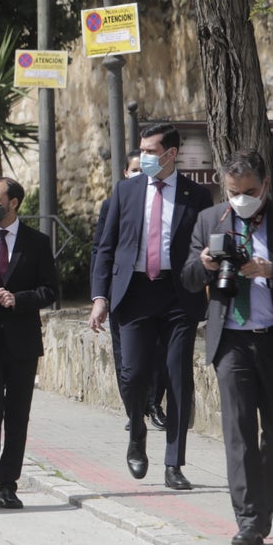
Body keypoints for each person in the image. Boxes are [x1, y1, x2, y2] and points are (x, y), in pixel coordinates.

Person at [90, 122, 212, 490]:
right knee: (133, 374)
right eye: (141, 151)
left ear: (171, 154)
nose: (143, 157)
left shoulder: (196, 195)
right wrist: (99, 297)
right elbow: (106, 247)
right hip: (135, 293)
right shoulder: (126, 191)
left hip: (178, 296)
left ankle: (174, 464)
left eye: (150, 152)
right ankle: (137, 432)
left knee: (178, 379)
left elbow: (202, 246)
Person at [182, 149, 273, 545]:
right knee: (238, 432)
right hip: (231, 340)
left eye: (249, 191)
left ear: (266, 184)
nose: (241, 199)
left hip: (270, 335)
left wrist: (270, 269)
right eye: (234, 191)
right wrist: (204, 264)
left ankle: (264, 506)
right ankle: (249, 522)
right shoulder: (209, 219)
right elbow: (187, 279)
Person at [0, 177, 57, 510]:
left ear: (14, 203)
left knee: (18, 414)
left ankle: (9, 483)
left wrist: (18, 299)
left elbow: (50, 290)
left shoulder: (37, 242)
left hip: (23, 342)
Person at [91, 151, 167, 432]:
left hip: (157, 287)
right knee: (125, 356)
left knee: (157, 352)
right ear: (125, 173)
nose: (140, 174)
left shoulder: (164, 201)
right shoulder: (113, 203)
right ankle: (133, 409)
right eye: (134, 169)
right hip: (122, 291)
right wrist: (99, 294)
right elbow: (102, 248)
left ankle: (154, 405)